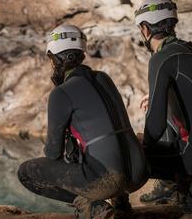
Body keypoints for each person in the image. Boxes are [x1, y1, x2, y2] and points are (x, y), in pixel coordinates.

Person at [17, 25, 148, 219]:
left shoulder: (61, 93)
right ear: (81, 55)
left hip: (108, 180)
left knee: (26, 172)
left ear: (55, 59)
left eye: (51, 59)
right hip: (139, 172)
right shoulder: (104, 78)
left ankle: (91, 206)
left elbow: (53, 153)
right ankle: (120, 202)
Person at [134, 0, 192, 214]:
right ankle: (175, 184)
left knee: (129, 151)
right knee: (158, 106)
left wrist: (139, 145)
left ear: (145, 29)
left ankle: (187, 183)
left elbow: (154, 129)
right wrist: (158, 97)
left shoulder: (161, 59)